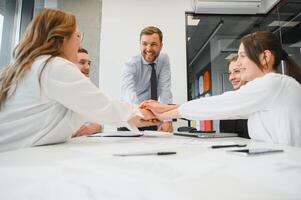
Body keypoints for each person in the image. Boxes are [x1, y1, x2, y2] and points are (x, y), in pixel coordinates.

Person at [0, 9, 158, 152]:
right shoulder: (53, 66)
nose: (80, 42)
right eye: (77, 35)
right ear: (61, 39)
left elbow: (91, 109)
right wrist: (157, 112)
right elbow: (104, 107)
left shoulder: (32, 66)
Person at [141, 31, 301, 147]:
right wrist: (165, 110)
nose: (238, 63)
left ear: (265, 57)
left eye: (242, 56)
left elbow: (220, 104)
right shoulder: (277, 87)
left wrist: (163, 114)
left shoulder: (271, 84)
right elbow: (225, 107)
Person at [120, 26, 173, 132]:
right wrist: (138, 114)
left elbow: (165, 89)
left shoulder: (164, 60)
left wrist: (167, 120)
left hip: (153, 116)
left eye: (153, 44)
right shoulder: (130, 65)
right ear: (140, 44)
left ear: (161, 46)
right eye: (144, 44)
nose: (148, 49)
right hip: (133, 115)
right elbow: (128, 92)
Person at [72, 48, 103, 138]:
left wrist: (92, 128)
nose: (87, 67)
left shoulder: (91, 89)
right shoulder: (62, 88)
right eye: (82, 62)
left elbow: (101, 124)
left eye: (89, 63)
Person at [219, 55, 250, 139]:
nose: (231, 78)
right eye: (230, 73)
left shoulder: (257, 98)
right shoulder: (229, 104)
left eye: (236, 71)